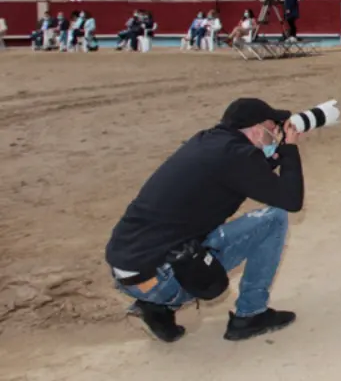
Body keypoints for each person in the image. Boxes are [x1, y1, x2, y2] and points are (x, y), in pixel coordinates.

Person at [104, 98, 308, 342]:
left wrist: (278, 154)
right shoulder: (237, 157)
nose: (275, 132)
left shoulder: (209, 143)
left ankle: (156, 307)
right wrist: (290, 149)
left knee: (189, 235)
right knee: (273, 218)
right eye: (272, 127)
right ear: (256, 130)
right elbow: (291, 200)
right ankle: (251, 315)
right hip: (161, 277)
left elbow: (252, 172)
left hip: (129, 270)